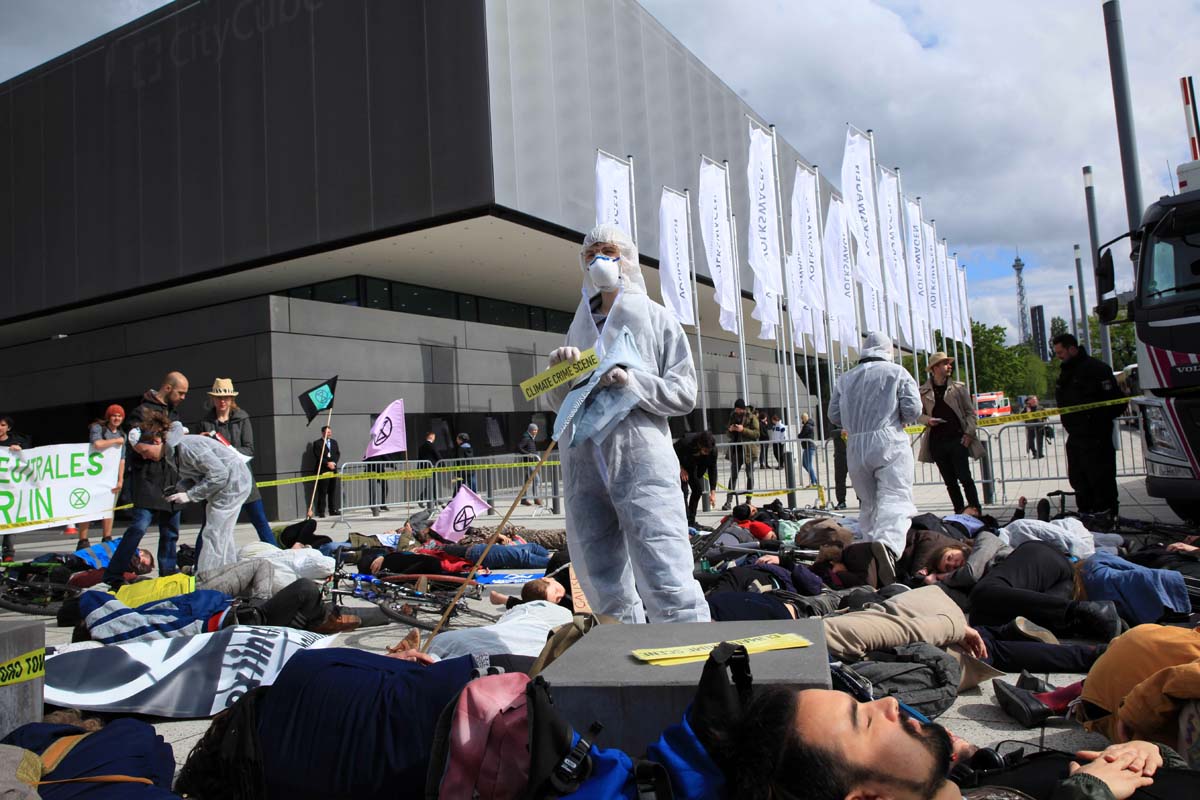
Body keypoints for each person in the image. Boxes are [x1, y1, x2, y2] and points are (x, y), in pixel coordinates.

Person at [542, 223, 709, 623]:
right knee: (599, 573)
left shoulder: (657, 319)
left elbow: (684, 393)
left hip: (639, 455)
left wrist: (633, 382)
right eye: (592, 253)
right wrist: (558, 376)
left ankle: (693, 663)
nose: (601, 259)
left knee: (663, 560)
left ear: (628, 258)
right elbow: (560, 406)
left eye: (610, 251)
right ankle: (622, 657)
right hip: (583, 459)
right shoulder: (579, 324)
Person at [828, 332, 922, 560]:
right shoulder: (897, 372)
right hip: (888, 441)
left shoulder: (845, 379)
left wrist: (857, 421)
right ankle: (888, 548)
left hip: (856, 445)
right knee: (895, 498)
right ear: (888, 350)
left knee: (868, 504)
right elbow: (913, 410)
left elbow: (833, 414)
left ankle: (869, 553)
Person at [133, 410, 254, 576]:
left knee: (214, 533)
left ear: (156, 441)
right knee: (220, 532)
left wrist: (190, 495)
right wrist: (180, 488)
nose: (145, 457)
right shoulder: (172, 453)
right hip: (227, 485)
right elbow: (197, 475)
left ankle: (208, 576)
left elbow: (219, 474)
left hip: (233, 484)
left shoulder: (187, 447)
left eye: (144, 452)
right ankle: (225, 572)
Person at [103, 372, 189, 585]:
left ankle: (168, 573)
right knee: (139, 527)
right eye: (181, 393)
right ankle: (114, 573)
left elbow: (173, 445)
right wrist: (160, 446)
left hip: (171, 479)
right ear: (168, 388)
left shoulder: (174, 414)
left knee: (170, 530)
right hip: (148, 480)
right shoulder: (141, 412)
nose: (183, 397)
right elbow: (141, 447)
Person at [1054, 333, 1126, 517]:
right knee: (1079, 481)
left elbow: (1116, 403)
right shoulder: (1066, 371)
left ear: (1072, 348)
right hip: (1076, 437)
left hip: (1096, 438)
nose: (1058, 356)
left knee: (1101, 482)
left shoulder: (1097, 369)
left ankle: (1108, 518)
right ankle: (1087, 517)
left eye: (1061, 352)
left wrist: (1095, 422)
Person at [200, 378, 277, 546]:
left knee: (260, 521)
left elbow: (249, 450)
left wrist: (226, 449)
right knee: (210, 526)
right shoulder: (206, 423)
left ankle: (278, 557)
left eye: (226, 397)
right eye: (219, 397)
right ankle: (200, 566)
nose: (222, 401)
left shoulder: (241, 418)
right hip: (220, 483)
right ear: (213, 399)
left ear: (231, 399)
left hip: (243, 479)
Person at [917, 352, 984, 514]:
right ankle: (960, 513)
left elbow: (970, 413)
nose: (949, 366)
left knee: (965, 478)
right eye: (945, 363)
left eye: (948, 363)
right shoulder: (924, 391)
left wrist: (968, 434)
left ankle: (976, 510)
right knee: (950, 482)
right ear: (934, 368)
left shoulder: (958, 388)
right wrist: (928, 420)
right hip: (937, 442)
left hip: (957, 439)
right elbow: (917, 414)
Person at [75, 405, 126, 551]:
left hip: (110, 476)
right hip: (93, 474)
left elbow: (122, 459)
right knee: (88, 506)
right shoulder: (98, 428)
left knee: (109, 507)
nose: (116, 418)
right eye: (114, 415)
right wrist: (116, 442)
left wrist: (120, 479)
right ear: (108, 417)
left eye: (119, 416)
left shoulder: (122, 434)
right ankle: (83, 540)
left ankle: (107, 537)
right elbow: (97, 444)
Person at [722, 399, 760, 510]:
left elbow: (757, 434)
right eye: (736, 409)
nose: (737, 411)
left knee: (749, 476)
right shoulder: (733, 416)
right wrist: (731, 430)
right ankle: (728, 501)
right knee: (733, 476)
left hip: (749, 451)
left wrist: (743, 430)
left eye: (738, 409)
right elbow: (728, 433)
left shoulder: (752, 417)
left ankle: (748, 499)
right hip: (736, 450)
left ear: (743, 408)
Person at [675, 430, 717, 529]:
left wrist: (713, 492)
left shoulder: (712, 451)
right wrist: (681, 468)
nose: (707, 453)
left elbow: (712, 470)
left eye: (708, 451)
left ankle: (691, 521)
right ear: (699, 444)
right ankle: (684, 522)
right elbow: (672, 454)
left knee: (697, 491)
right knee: (684, 492)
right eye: (705, 450)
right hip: (681, 466)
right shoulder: (686, 442)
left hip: (693, 469)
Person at [309, 426, 340, 518]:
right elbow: (318, 456)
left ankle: (332, 510)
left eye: (330, 432)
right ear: (323, 433)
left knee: (332, 490)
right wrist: (327, 463)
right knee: (322, 491)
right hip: (323, 470)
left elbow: (337, 454)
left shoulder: (334, 442)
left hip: (333, 469)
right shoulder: (317, 443)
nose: (329, 434)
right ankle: (321, 511)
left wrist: (333, 463)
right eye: (327, 432)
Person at [518, 423, 543, 506]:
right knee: (536, 480)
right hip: (529, 463)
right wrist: (528, 454)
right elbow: (519, 447)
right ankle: (536, 498)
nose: (536, 431)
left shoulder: (531, 438)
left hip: (532, 462)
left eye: (536, 430)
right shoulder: (526, 438)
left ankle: (523, 500)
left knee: (526, 482)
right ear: (530, 430)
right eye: (534, 430)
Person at [830, 421, 849, 510]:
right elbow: (830, 432)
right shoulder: (834, 419)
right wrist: (841, 431)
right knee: (840, 479)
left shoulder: (851, 417)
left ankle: (861, 500)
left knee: (858, 478)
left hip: (853, 453)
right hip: (840, 455)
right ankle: (841, 501)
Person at [1024, 395, 1047, 459]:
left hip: (1039, 427)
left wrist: (1044, 421)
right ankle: (1035, 453)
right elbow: (1021, 416)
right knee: (1030, 441)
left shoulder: (1040, 407)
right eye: (1033, 399)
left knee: (1039, 441)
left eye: (1035, 399)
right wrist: (1027, 413)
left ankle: (1040, 454)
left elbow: (1045, 416)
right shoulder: (1026, 408)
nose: (1035, 400)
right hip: (1030, 427)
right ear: (1029, 401)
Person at [799, 412, 818, 486]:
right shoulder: (808, 425)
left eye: (802, 419)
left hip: (809, 447)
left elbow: (801, 435)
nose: (802, 421)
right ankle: (814, 479)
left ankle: (813, 481)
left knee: (809, 464)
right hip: (807, 447)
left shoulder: (807, 426)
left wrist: (799, 435)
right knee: (804, 464)